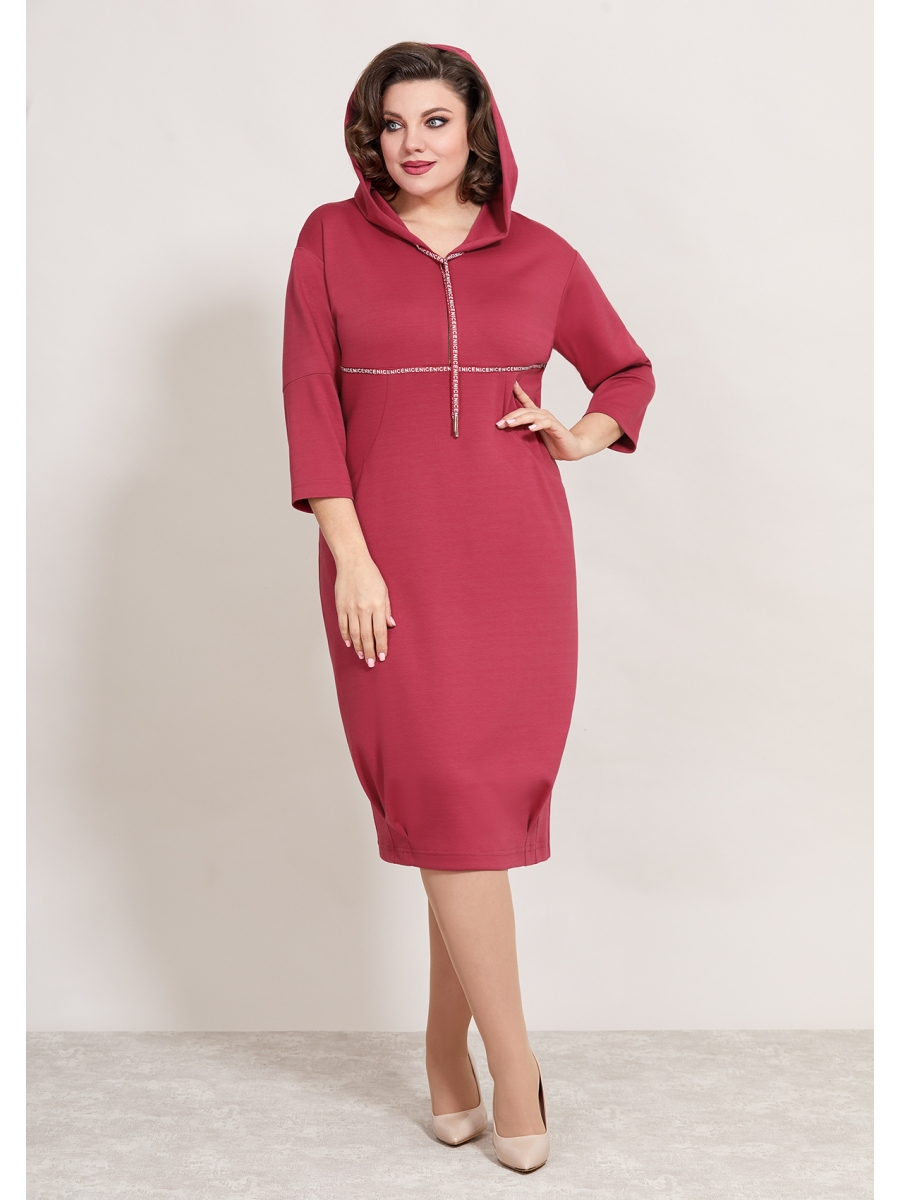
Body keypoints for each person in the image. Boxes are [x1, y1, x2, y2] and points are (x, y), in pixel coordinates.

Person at [282, 41, 654, 1173]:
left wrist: (578, 435)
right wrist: (352, 558)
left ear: (476, 129)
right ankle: (514, 1061)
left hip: (517, 562)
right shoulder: (328, 240)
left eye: (435, 121)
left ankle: (447, 1049)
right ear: (371, 134)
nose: (413, 143)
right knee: (443, 792)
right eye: (394, 123)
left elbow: (626, 371)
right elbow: (309, 403)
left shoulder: (542, 255)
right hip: (387, 562)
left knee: (470, 812)